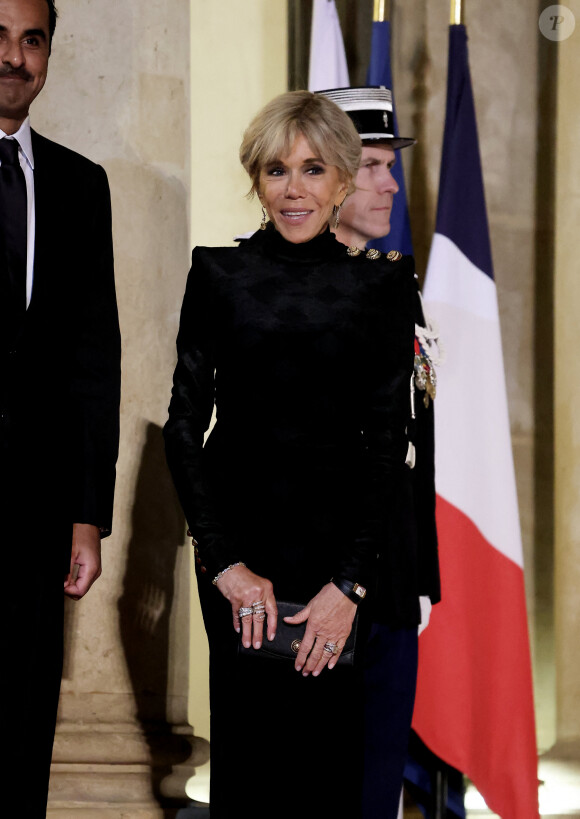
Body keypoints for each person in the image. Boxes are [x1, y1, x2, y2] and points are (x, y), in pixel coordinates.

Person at [164, 90, 423, 819]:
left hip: (339, 571)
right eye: (277, 171)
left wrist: (350, 586)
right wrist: (225, 565)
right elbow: (183, 428)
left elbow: (387, 444)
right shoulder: (217, 274)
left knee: (330, 778)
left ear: (342, 180)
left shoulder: (382, 284)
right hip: (241, 565)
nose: (295, 189)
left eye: (313, 170)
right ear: (257, 180)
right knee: (251, 775)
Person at [0, 0, 121, 814]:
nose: (15, 56)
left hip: (36, 513)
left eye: (31, 40)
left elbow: (93, 357)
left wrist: (87, 513)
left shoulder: (81, 184)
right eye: (0, 37)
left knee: (21, 722)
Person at [318, 86, 442, 817]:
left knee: (374, 793)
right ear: (327, 173)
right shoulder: (277, 287)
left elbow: (414, 444)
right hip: (320, 584)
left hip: (392, 585)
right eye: (371, 165)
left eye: (389, 165)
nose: (391, 182)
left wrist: (420, 574)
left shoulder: (398, 284)